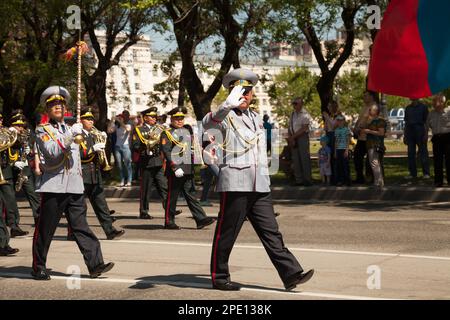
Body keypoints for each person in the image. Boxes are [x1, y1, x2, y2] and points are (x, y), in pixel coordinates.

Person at [202, 68, 314, 291]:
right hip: (235, 182)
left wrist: (266, 178)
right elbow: (207, 125)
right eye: (239, 91)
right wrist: (227, 104)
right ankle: (219, 275)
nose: (244, 96)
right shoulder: (225, 116)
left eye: (247, 92)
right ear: (232, 93)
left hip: (259, 184)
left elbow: (260, 152)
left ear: (252, 94)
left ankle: (290, 273)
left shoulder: (256, 118)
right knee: (227, 232)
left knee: (271, 231)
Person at [32, 86, 114, 280]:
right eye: (53, 104)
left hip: (75, 187)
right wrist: (70, 136)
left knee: (81, 227)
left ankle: (95, 264)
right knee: (46, 230)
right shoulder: (43, 131)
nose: (58, 106)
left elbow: (79, 158)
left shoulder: (72, 129)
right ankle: (38, 266)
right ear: (47, 109)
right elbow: (52, 153)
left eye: (61, 103)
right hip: (54, 187)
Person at [160, 107, 216, 230]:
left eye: (181, 119)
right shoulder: (167, 133)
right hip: (176, 169)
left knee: (191, 194)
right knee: (172, 196)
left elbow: (191, 149)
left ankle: (200, 219)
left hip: (187, 168)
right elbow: (167, 151)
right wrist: (174, 167)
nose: (180, 121)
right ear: (172, 119)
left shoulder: (186, 131)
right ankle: (169, 221)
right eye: (177, 119)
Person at [77, 107, 124, 240]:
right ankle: (73, 232)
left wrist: (104, 140)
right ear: (81, 120)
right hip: (82, 175)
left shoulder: (94, 134)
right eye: (88, 119)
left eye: (92, 119)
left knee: (101, 205)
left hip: (95, 175)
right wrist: (93, 148)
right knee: (80, 207)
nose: (91, 121)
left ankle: (110, 231)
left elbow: (101, 154)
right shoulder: (77, 135)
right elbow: (76, 155)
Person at [132, 107, 169, 219]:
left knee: (164, 186)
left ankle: (168, 208)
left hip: (158, 161)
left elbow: (164, 143)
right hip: (146, 161)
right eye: (151, 116)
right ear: (145, 118)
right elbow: (135, 146)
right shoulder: (139, 129)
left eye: (155, 116)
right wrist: (146, 145)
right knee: (146, 189)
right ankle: (144, 211)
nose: (154, 118)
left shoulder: (159, 129)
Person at [9, 111, 40, 224]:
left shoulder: (27, 134)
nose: (21, 128)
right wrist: (13, 163)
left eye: (22, 125)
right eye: (18, 125)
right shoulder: (7, 135)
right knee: (10, 199)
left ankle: (39, 220)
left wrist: (30, 151)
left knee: (33, 194)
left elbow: (34, 148)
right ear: (12, 125)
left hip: (25, 169)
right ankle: (13, 225)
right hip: (11, 168)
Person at [0, 116, 29, 238]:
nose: (1, 122)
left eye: (1, 119)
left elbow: (12, 146)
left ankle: (14, 227)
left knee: (10, 201)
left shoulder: (4, 133)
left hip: (5, 172)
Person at [353, 92, 379, 184]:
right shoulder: (364, 107)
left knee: (371, 159)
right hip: (361, 137)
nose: (364, 97)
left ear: (371, 96)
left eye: (366, 96)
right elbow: (360, 119)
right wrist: (356, 128)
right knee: (357, 156)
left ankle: (372, 179)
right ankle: (360, 177)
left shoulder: (374, 107)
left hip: (369, 137)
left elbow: (370, 120)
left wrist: (361, 127)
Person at [426, 94, 450, 187]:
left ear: (442, 102)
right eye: (433, 101)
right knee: (437, 160)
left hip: (448, 137)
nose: (433, 103)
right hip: (437, 138)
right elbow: (427, 126)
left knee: (449, 160)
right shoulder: (431, 114)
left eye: (435, 101)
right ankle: (438, 181)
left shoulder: (448, 111)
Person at [288, 97, 312, 186]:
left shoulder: (305, 114)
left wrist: (293, 137)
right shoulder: (292, 114)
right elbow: (290, 126)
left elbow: (304, 128)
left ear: (301, 104)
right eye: (293, 103)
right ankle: (299, 180)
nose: (294, 105)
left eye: (296, 103)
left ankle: (307, 180)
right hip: (294, 137)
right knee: (296, 160)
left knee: (304, 159)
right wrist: (290, 137)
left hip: (302, 137)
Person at [404, 99, 430, 179]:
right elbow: (406, 122)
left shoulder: (423, 107)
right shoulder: (408, 108)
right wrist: (405, 135)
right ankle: (412, 173)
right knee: (410, 153)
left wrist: (426, 133)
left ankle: (426, 173)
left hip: (420, 130)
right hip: (410, 131)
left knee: (423, 152)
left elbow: (426, 121)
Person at [362, 104, 386, 189]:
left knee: (374, 163)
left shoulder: (380, 121)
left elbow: (381, 133)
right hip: (370, 144)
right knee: (375, 163)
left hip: (375, 144)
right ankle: (379, 181)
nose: (369, 111)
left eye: (370, 110)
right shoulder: (371, 121)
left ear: (375, 111)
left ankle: (378, 182)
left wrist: (369, 131)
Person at [108, 110, 133, 187]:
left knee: (127, 164)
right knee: (119, 164)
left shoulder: (128, 124)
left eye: (121, 117)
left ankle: (129, 180)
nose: (121, 119)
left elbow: (128, 129)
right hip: (117, 147)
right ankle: (122, 180)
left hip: (125, 146)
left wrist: (120, 121)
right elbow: (109, 131)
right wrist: (112, 121)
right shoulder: (117, 126)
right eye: (120, 117)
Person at [322, 100, 340, 185]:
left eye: (329, 106)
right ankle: (330, 177)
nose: (328, 108)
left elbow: (333, 126)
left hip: (335, 136)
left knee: (335, 156)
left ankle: (337, 178)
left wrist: (327, 118)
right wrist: (326, 120)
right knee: (329, 156)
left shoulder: (338, 116)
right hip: (328, 136)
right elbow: (326, 128)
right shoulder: (329, 116)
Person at [334, 114, 352, 186]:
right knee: (339, 166)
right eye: (338, 121)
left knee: (345, 165)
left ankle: (347, 180)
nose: (340, 122)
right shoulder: (336, 130)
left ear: (344, 121)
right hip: (338, 149)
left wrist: (347, 150)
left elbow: (348, 140)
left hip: (344, 149)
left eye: (341, 121)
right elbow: (336, 141)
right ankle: (340, 180)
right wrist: (335, 151)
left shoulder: (346, 129)